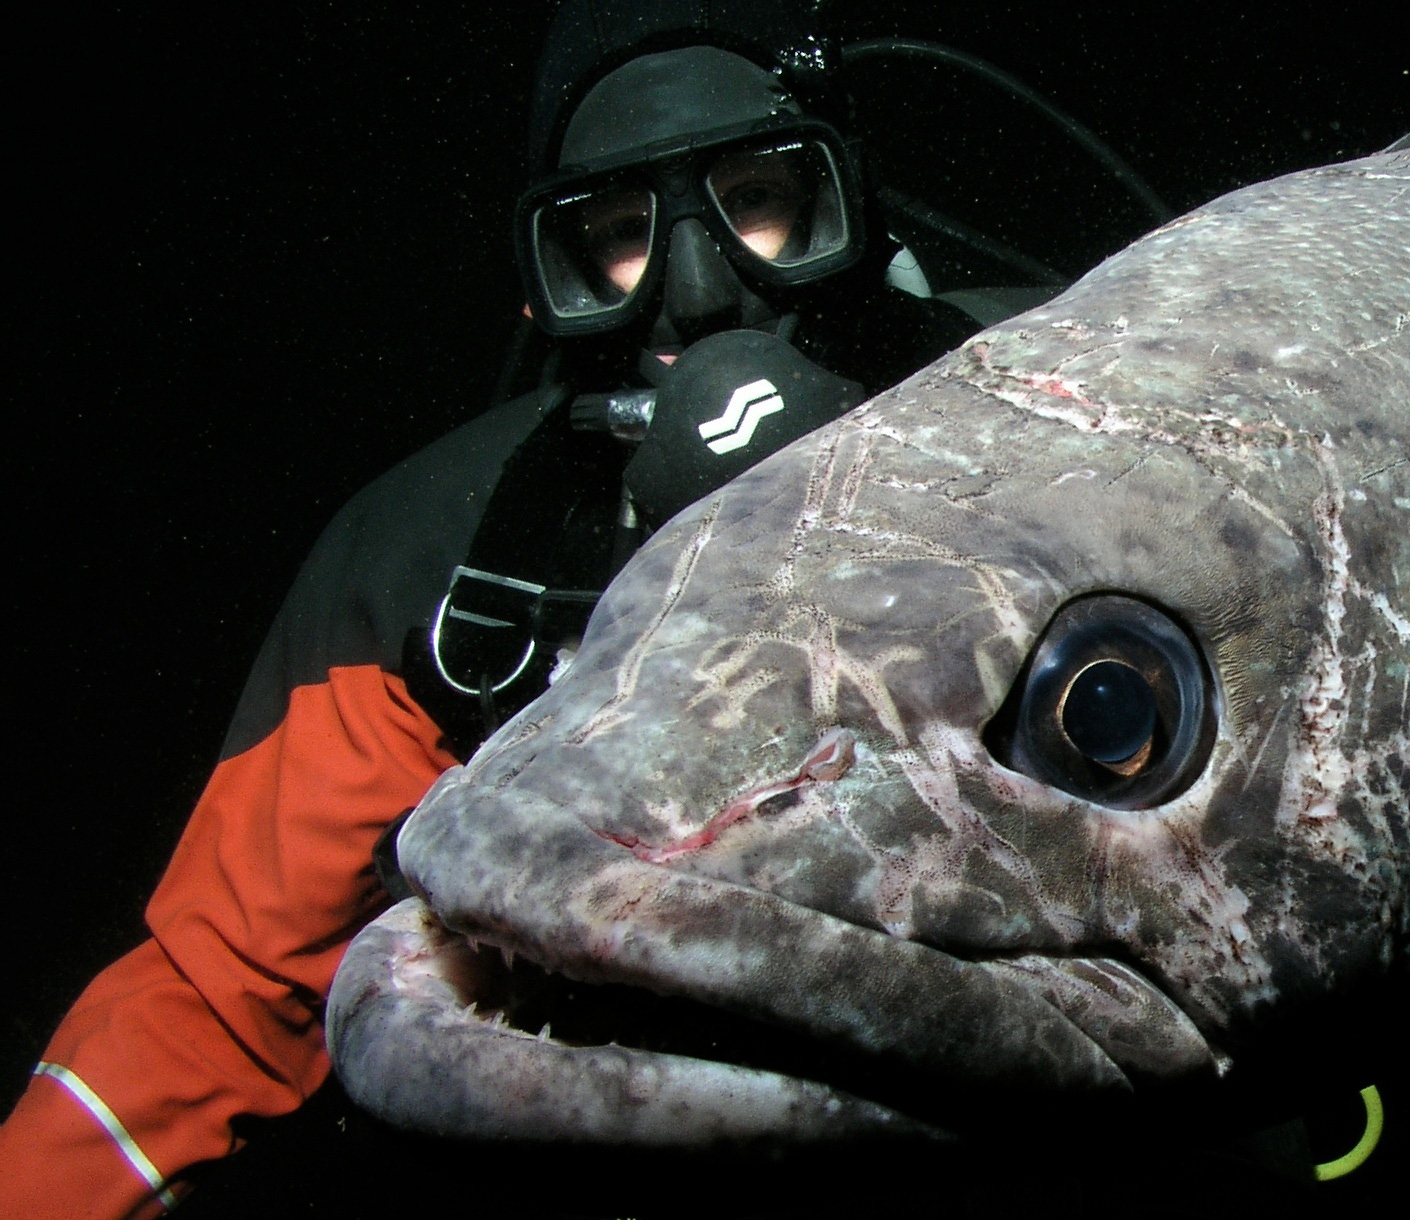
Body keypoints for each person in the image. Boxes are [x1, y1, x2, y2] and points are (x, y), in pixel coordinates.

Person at [0, 3, 1051, 1215]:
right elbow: (220, 988)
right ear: (554, 276)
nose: (701, 292)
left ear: (843, 204)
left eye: (760, 197)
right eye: (617, 233)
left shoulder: (1082, 381)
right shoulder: (432, 570)